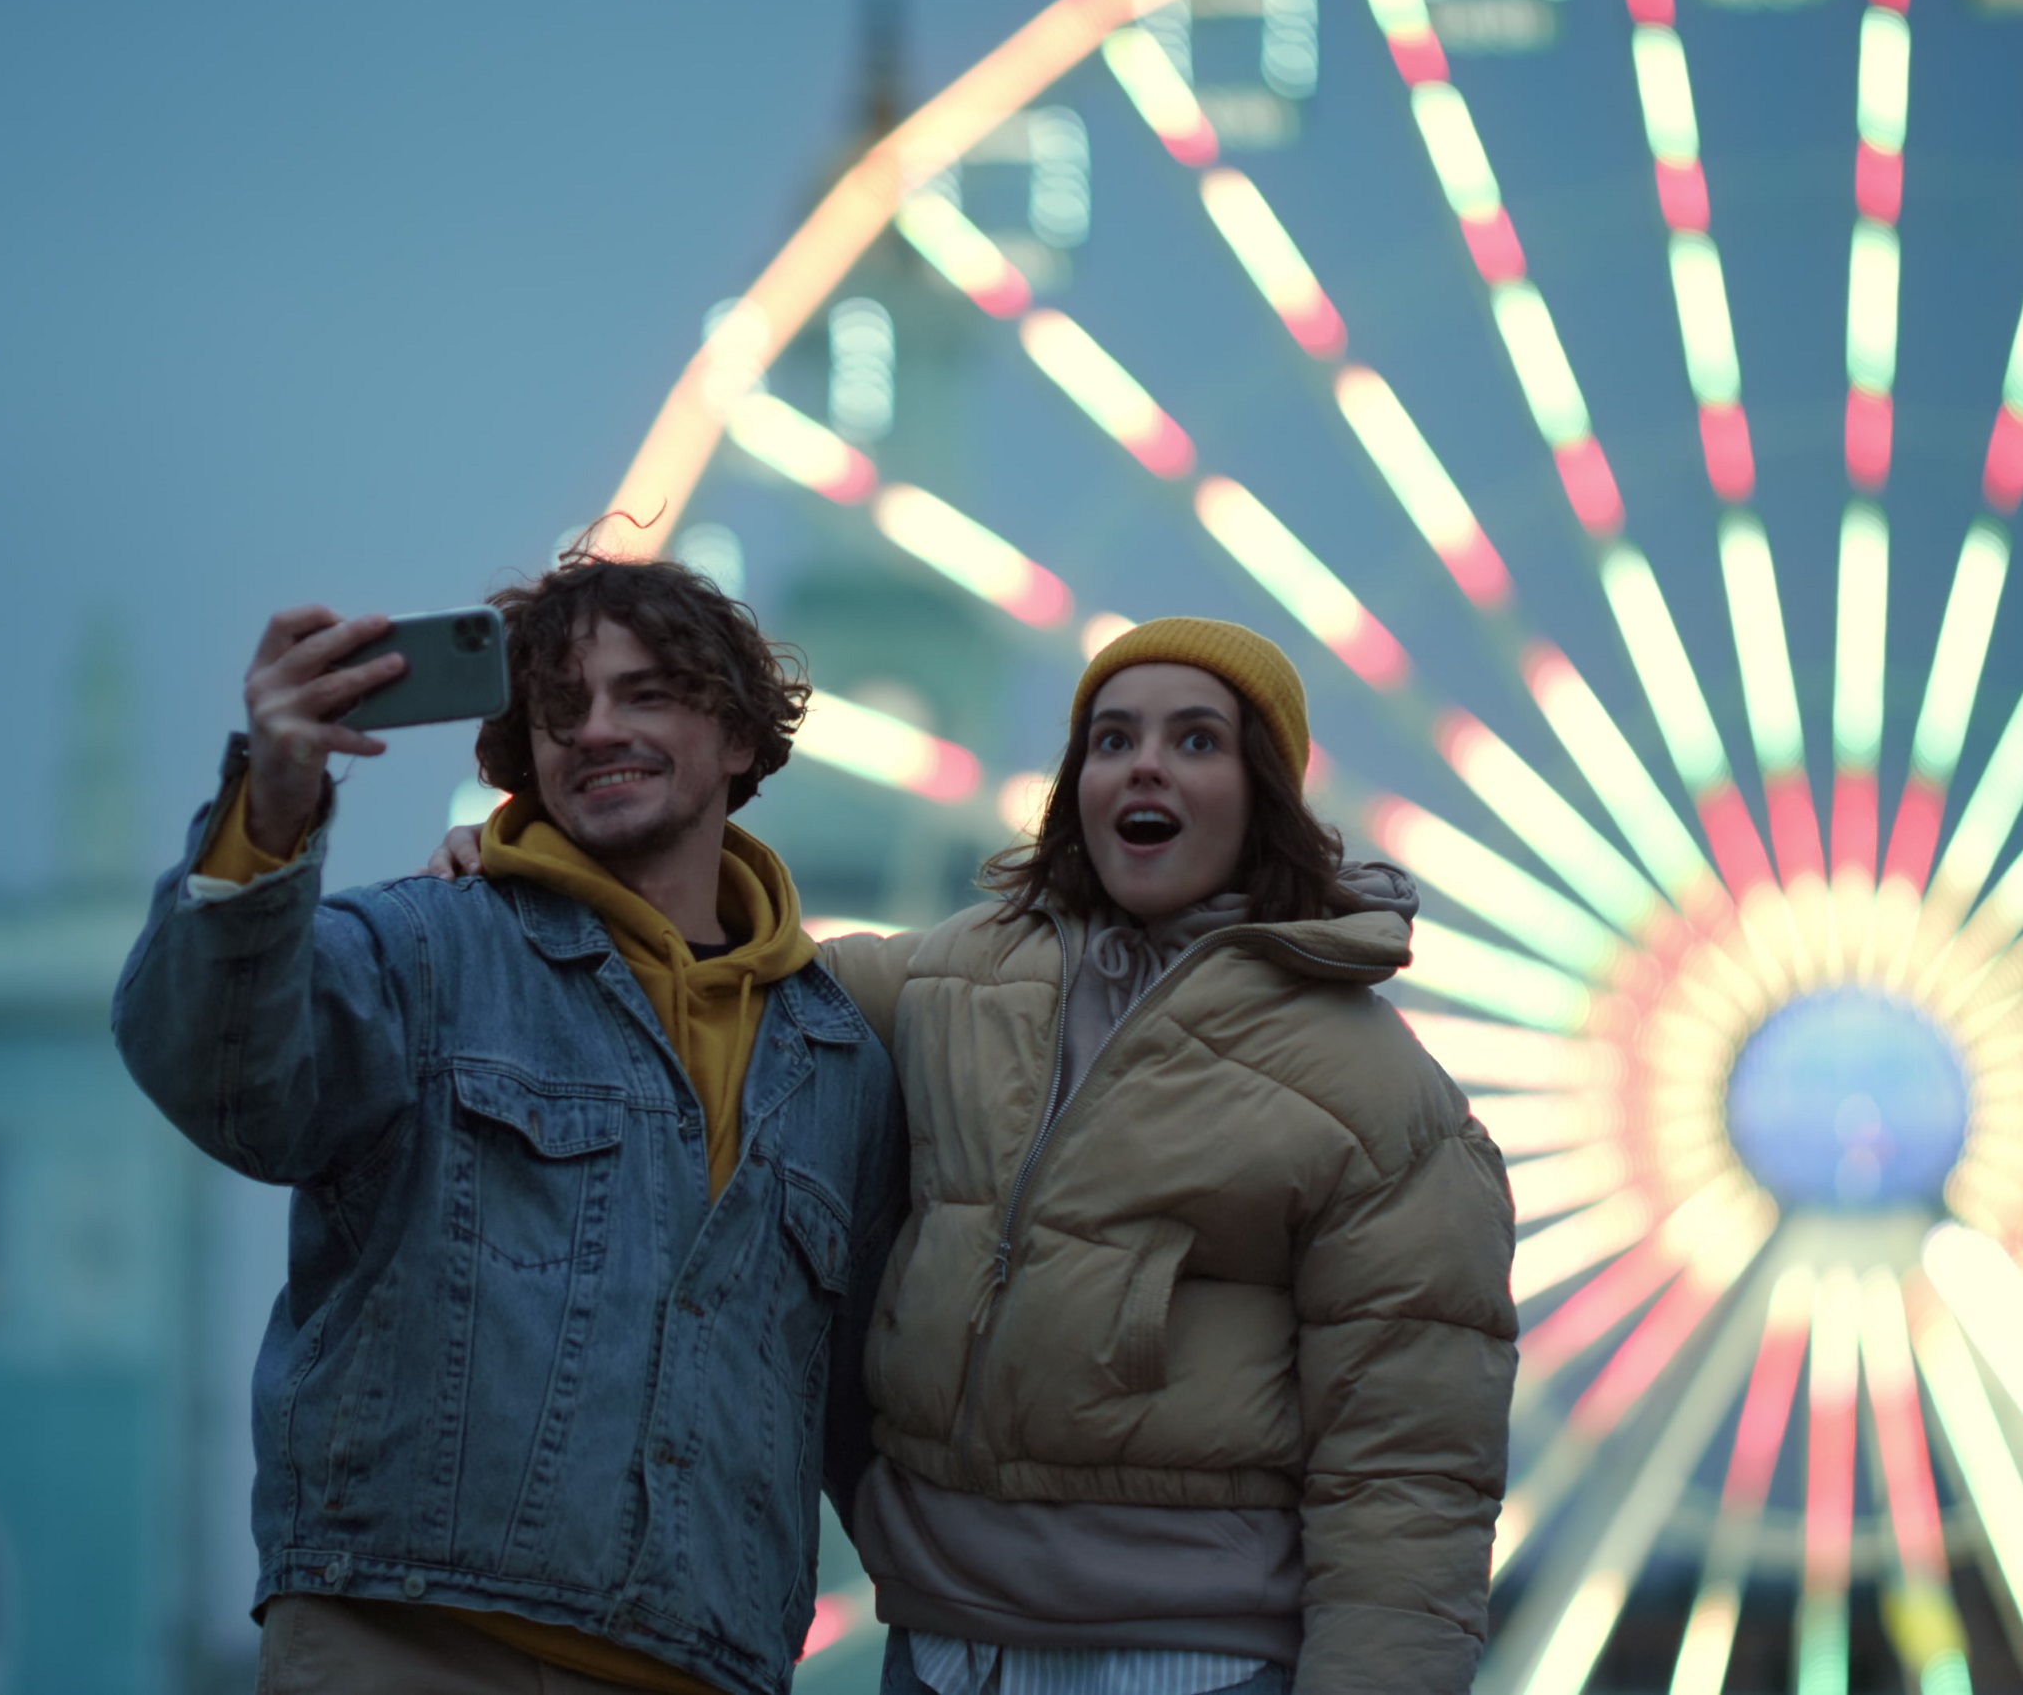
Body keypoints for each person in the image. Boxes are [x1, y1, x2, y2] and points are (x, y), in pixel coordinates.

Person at [435, 616, 1518, 1693]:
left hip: (1196, 1661)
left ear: (1265, 793)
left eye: (1195, 740)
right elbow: (718, 988)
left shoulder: (1384, 1104)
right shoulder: (948, 984)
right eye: (1110, 739)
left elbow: (1406, 1484)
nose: (1143, 762)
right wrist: (538, 870)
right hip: (943, 1655)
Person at [115, 542, 906, 1695]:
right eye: (558, 706)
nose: (593, 728)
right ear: (522, 753)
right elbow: (221, 1079)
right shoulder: (421, 950)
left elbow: (868, 1416)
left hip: (699, 1664)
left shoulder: (839, 1061)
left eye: (644, 694)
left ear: (738, 738)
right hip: (410, 1639)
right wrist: (271, 804)